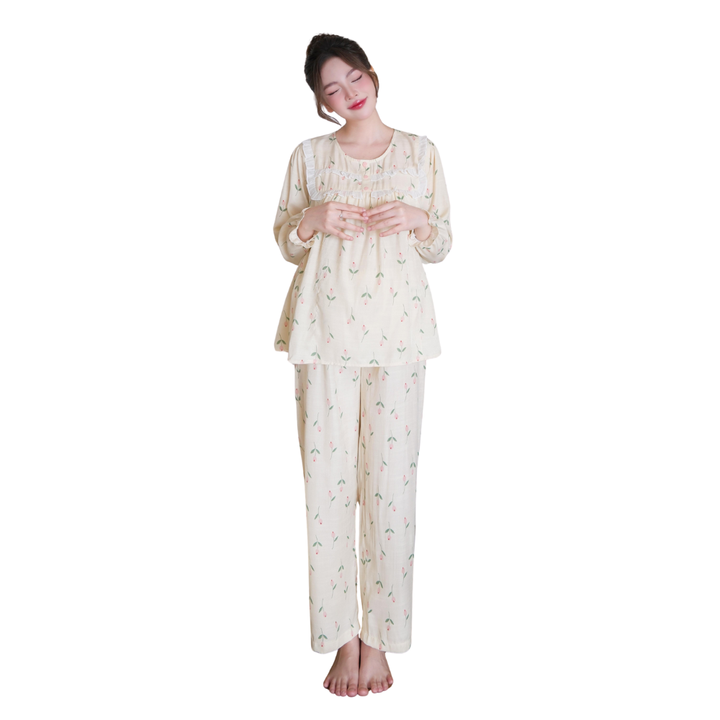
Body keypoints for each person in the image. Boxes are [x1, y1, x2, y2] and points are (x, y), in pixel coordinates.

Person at [272, 33, 453, 696]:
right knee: (327, 490)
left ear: (371, 74)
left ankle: (380, 640)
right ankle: (341, 638)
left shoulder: (420, 152)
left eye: (353, 78)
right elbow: (286, 239)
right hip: (323, 330)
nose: (347, 93)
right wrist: (313, 217)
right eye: (332, 89)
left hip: (399, 336)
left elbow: (441, 242)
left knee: (391, 490)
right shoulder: (310, 156)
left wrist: (417, 217)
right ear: (322, 102)